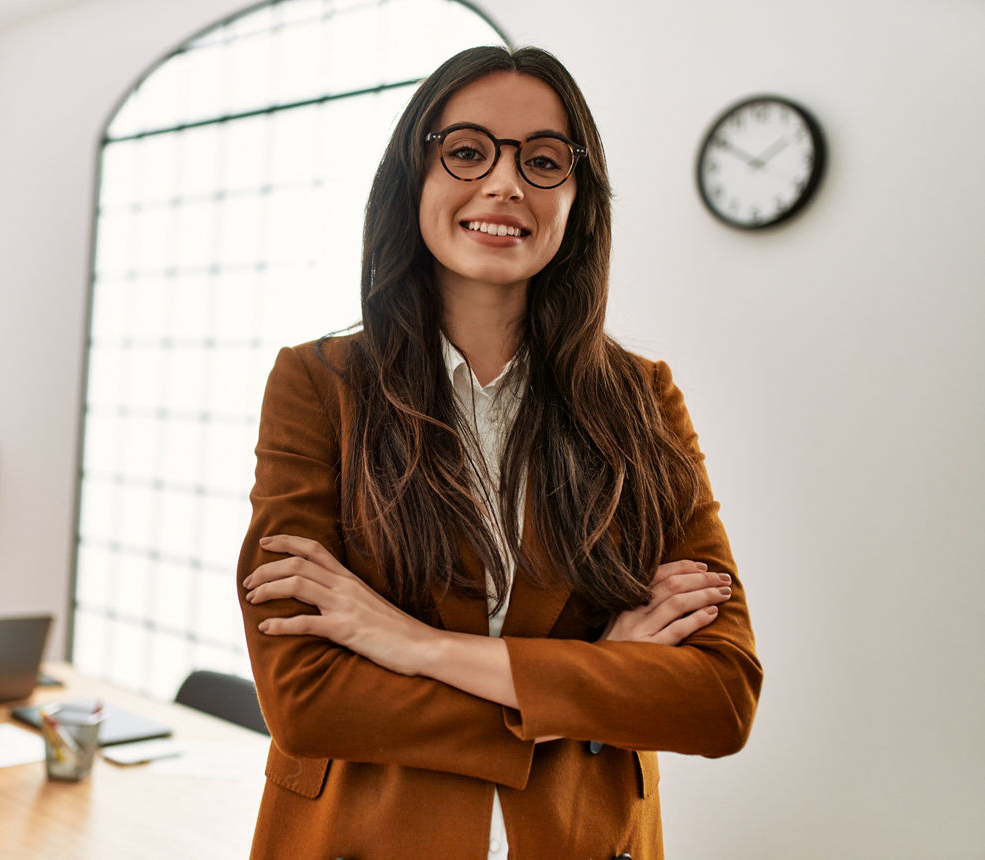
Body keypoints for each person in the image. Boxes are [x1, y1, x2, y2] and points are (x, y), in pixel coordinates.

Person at [237, 45, 761, 859]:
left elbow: (720, 699)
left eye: (544, 161)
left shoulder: (642, 399)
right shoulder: (318, 385)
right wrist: (590, 677)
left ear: (578, 199)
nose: (506, 184)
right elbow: (306, 699)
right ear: (415, 173)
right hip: (360, 836)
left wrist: (415, 647)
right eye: (469, 150)